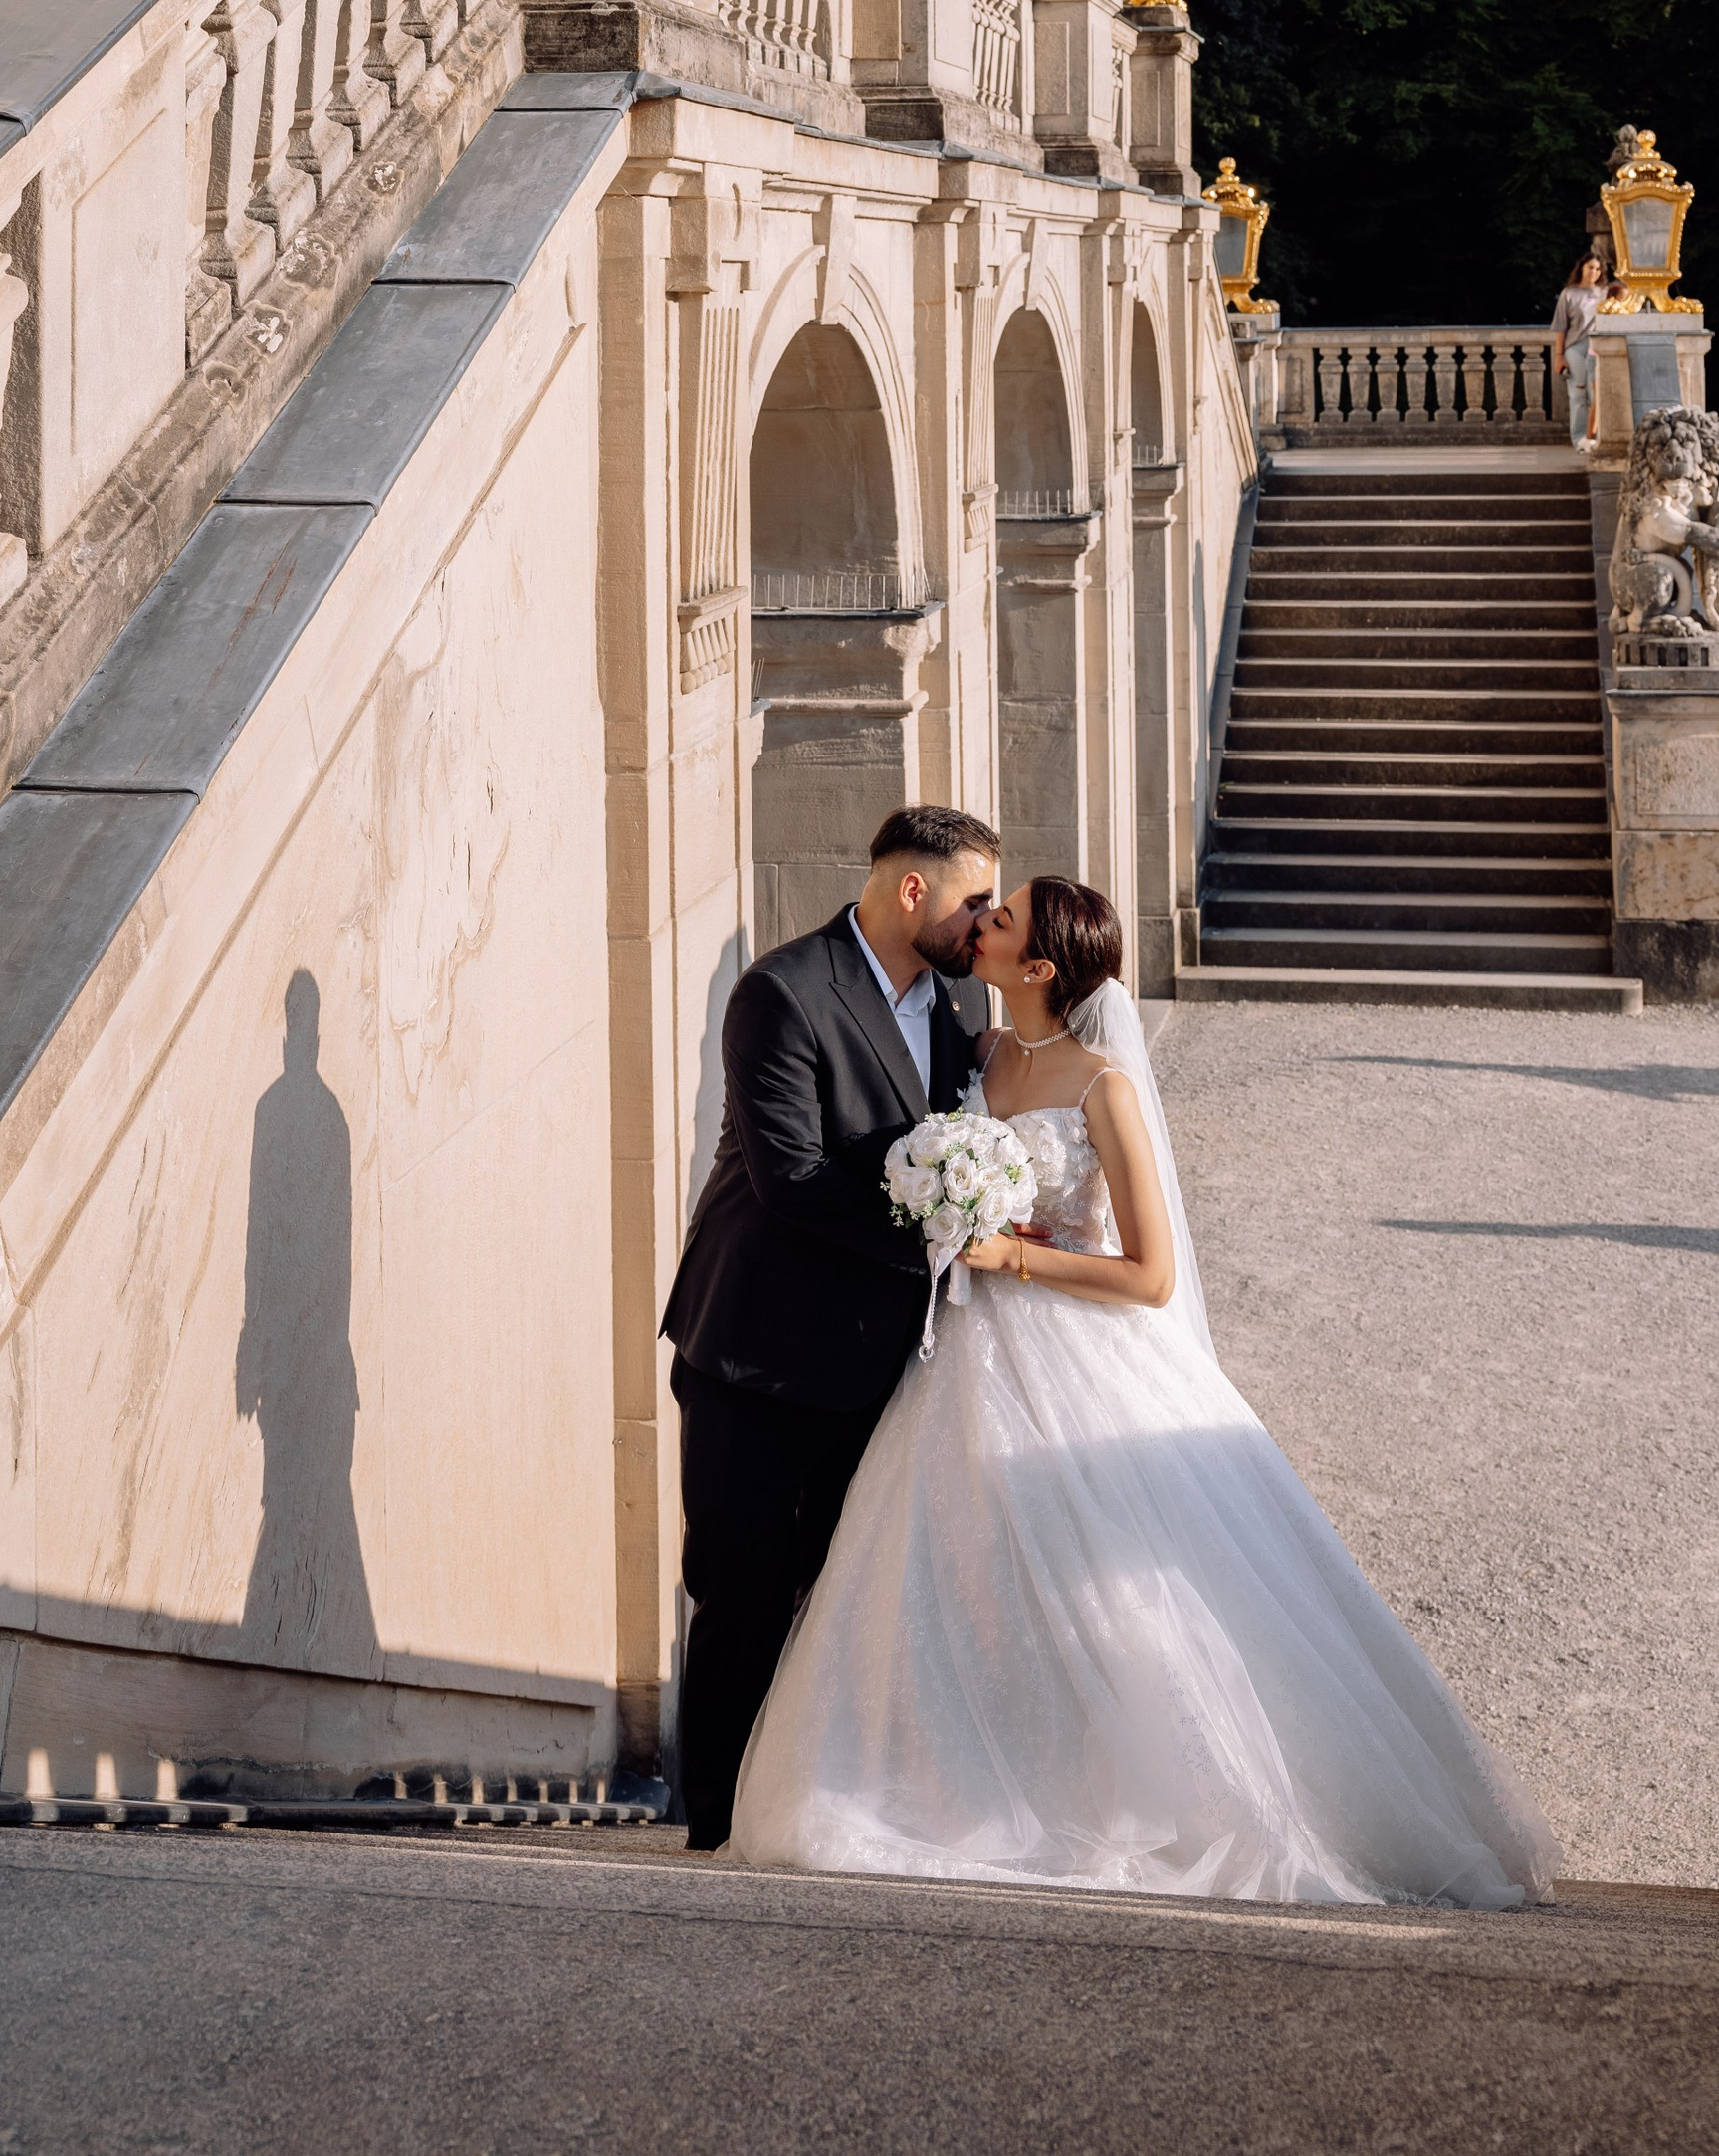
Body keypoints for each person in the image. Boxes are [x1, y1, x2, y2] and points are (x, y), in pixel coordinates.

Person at [725, 873, 1558, 1910]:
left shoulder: (1101, 1085)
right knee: (966, 1577)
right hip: (962, 1362)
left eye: (1001, 917)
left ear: (1036, 967)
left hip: (1070, 1353)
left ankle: (1136, 1801)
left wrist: (1010, 1258)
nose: (976, 923)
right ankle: (971, 1786)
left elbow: (1150, 1275)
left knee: (1110, 1598)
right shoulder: (974, 1054)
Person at [660, 800, 999, 1853]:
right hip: (751, 1350)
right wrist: (949, 1243)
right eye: (973, 897)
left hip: (876, 1363)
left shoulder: (955, 1010)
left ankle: (811, 1811)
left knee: (845, 1598)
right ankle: (709, 1828)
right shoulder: (783, 991)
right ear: (914, 889)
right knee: (739, 1590)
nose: (983, 920)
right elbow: (793, 1180)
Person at [1553, 250, 1607, 454]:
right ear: (1581, 268)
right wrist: (1558, 356)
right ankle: (1578, 439)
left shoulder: (1604, 293)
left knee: (1595, 395)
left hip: (1597, 348)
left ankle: (1594, 437)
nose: (1593, 271)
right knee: (1577, 393)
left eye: (1597, 268)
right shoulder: (1569, 293)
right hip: (1575, 347)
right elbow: (1560, 327)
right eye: (1590, 267)